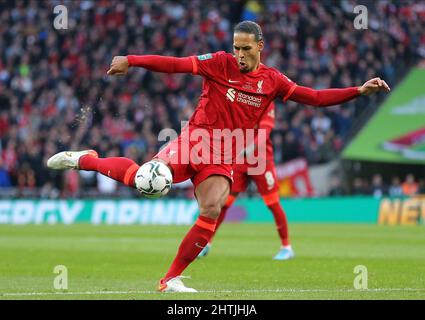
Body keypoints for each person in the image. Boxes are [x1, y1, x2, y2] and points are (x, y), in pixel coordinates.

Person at [47, 21, 390, 292]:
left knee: (211, 209)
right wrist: (132, 61)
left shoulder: (272, 81)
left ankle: (169, 280)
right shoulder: (220, 63)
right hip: (193, 139)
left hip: (223, 153)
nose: (239, 54)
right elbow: (176, 65)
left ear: (260, 47)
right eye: (236, 47)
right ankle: (87, 159)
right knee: (144, 182)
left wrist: (358, 91)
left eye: (245, 48)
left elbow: (313, 96)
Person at [197, 101, 294, 260]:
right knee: (223, 203)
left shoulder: (266, 102)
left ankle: (286, 247)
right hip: (240, 160)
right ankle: (206, 243)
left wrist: (250, 148)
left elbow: (265, 131)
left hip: (261, 161)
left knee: (272, 203)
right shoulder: (240, 99)